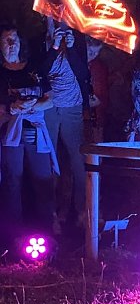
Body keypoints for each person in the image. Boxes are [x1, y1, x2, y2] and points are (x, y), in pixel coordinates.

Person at [0, 26, 58, 243]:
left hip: (36, 132)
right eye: (6, 40)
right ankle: (13, 235)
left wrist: (35, 104)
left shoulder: (34, 69)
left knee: (43, 179)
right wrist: (11, 107)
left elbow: (50, 99)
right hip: (10, 134)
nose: (11, 43)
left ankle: (46, 234)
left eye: (13, 38)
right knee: (13, 181)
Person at [39, 18, 90, 229]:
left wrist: (71, 48)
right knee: (50, 159)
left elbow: (83, 73)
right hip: (48, 106)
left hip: (72, 106)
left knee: (78, 160)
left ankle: (81, 211)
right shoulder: (39, 41)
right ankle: (51, 214)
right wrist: (53, 47)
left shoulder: (77, 40)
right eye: (54, 18)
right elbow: (39, 71)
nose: (59, 23)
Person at [86, 37, 109, 143]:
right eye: (90, 51)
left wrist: (99, 101)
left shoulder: (99, 67)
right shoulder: (74, 64)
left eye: (96, 53)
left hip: (96, 117)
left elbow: (103, 92)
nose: (93, 55)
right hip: (79, 116)